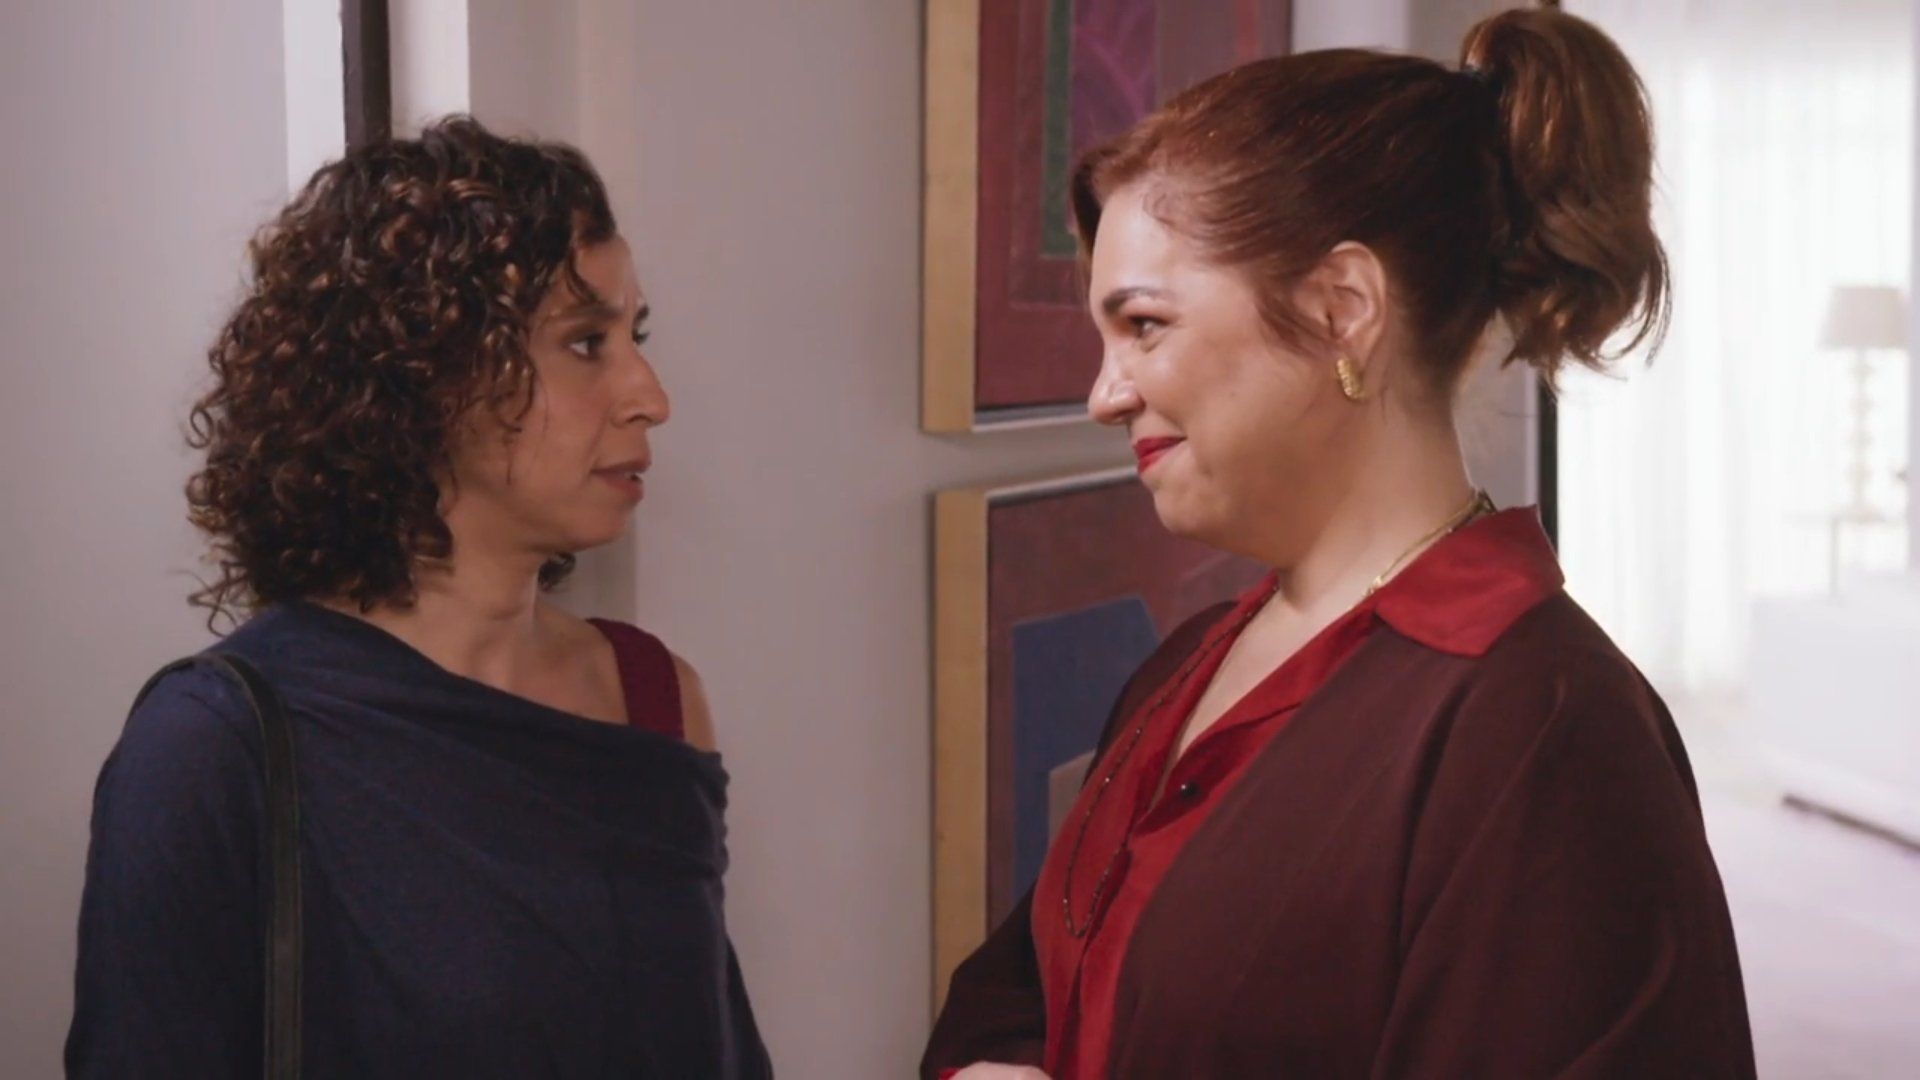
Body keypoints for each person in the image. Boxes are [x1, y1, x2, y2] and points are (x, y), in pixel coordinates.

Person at [923, 8, 1755, 1079]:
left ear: (1340, 309)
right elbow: (1023, 992)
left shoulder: (1545, 726)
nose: (1104, 394)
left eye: (1145, 325)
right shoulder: (1188, 665)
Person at [66, 117, 771, 1078]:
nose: (649, 395)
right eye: (585, 343)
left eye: (632, 337)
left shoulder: (654, 696)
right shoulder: (214, 746)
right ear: (427, 375)